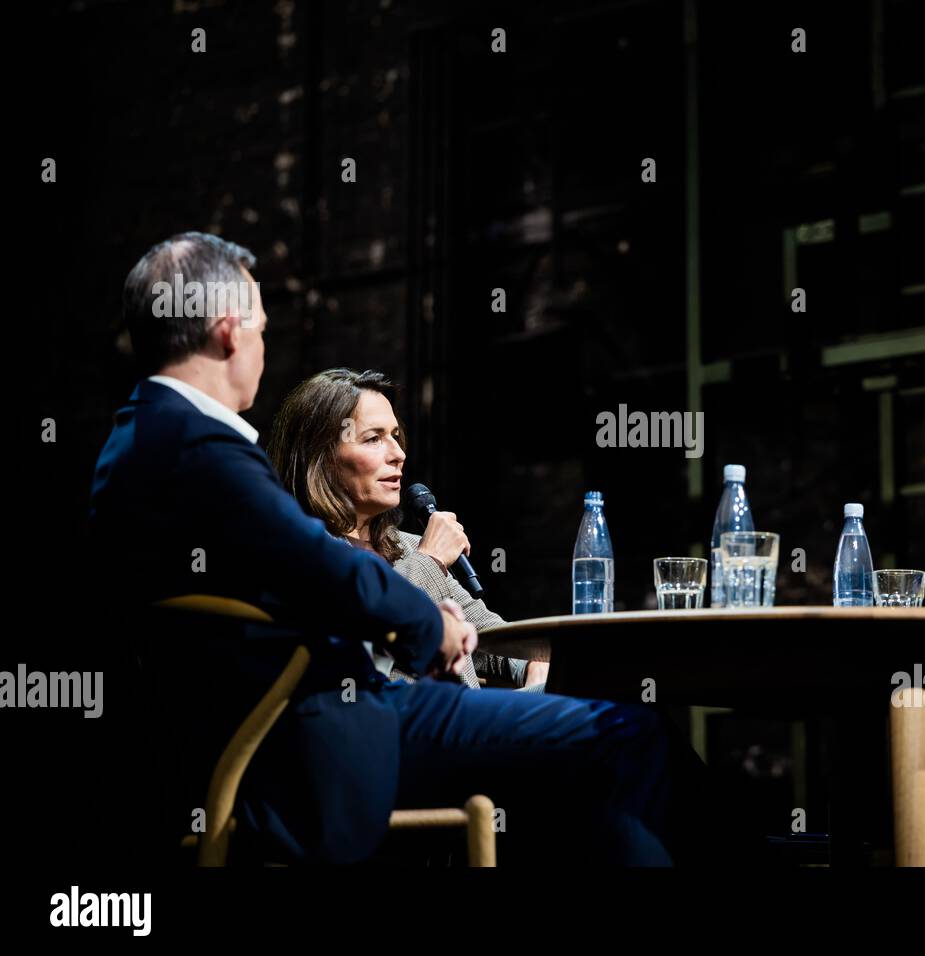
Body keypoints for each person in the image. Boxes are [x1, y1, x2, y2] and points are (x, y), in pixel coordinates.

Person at [89, 231, 710, 865]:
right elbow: (319, 566)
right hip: (335, 736)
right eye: (262, 329)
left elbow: (294, 579)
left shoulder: (133, 446)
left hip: (292, 731)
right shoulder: (200, 447)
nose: (261, 348)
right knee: (623, 732)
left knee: (611, 757)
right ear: (227, 332)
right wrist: (423, 622)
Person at [265, 367, 547, 692]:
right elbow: (361, 638)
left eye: (395, 437)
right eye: (373, 439)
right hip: (383, 726)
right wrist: (431, 562)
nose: (398, 454)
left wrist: (532, 662)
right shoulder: (302, 553)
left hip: (462, 724)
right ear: (321, 456)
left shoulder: (408, 548)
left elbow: (489, 638)